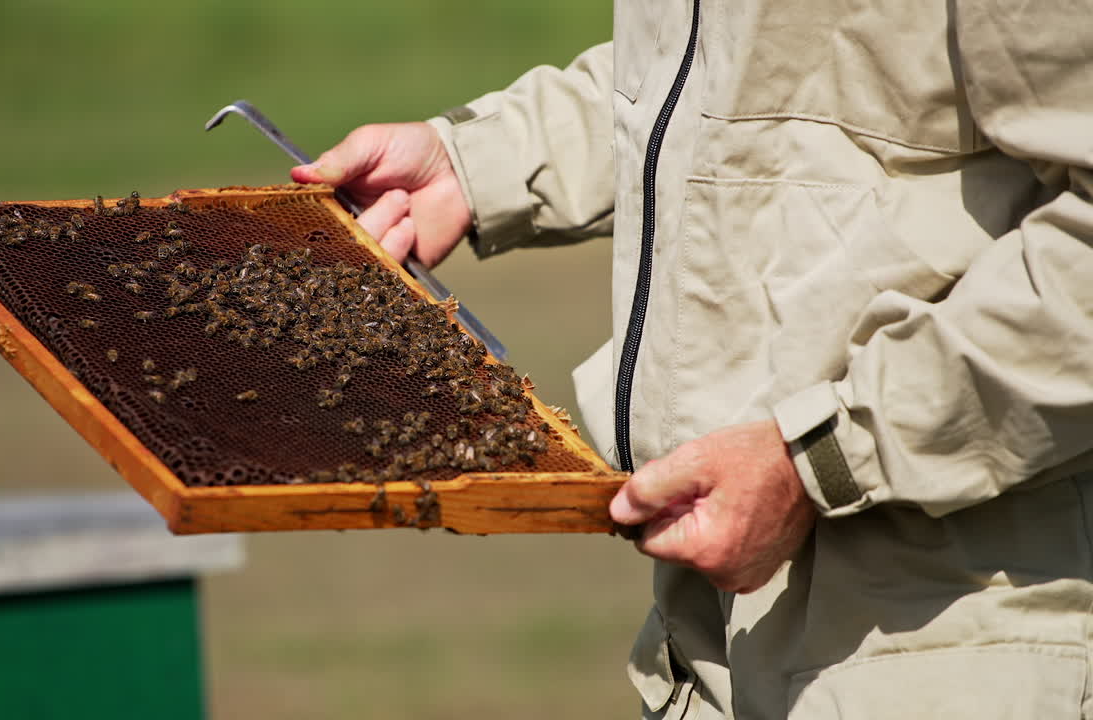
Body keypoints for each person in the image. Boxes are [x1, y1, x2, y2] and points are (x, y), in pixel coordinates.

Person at [292, 1, 1093, 717]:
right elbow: (717, 91)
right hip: (705, 644)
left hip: (951, 634)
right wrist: (481, 163)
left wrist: (822, 458)